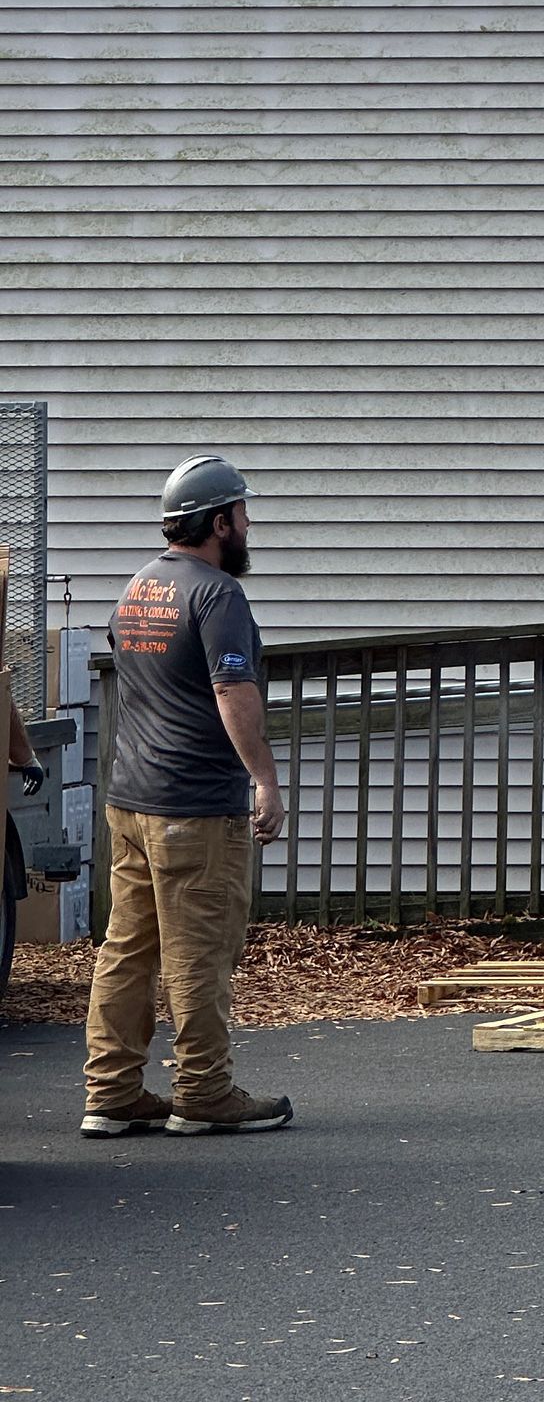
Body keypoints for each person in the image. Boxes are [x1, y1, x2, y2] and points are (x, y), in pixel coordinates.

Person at [81, 457, 291, 1138]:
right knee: (200, 950)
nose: (249, 527)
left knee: (128, 948)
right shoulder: (217, 595)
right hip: (195, 806)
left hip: (130, 799)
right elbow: (231, 691)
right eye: (243, 515)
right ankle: (203, 1092)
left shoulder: (140, 587)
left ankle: (110, 1093)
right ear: (219, 521)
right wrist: (264, 778)